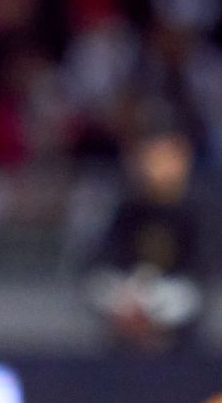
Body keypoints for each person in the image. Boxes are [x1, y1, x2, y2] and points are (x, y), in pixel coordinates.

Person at [84, 129, 204, 351]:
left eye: (168, 158)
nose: (159, 167)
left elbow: (200, 279)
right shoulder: (127, 210)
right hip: (127, 304)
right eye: (153, 158)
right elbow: (101, 263)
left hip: (177, 321)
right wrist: (131, 296)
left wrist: (154, 304)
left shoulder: (196, 215)